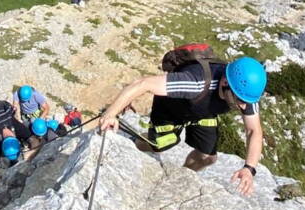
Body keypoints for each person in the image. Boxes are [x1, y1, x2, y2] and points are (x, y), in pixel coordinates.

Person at [98, 54, 269, 196]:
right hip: (172, 107)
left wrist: (249, 168)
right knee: (158, 144)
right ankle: (132, 140)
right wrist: (110, 114)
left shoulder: (245, 94)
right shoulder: (196, 82)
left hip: (203, 111)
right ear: (225, 83)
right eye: (239, 101)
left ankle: (177, 179)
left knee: (208, 157)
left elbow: (253, 130)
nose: (244, 107)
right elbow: (143, 84)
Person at [0, 100, 33, 185]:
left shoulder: (17, 127)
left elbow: (31, 138)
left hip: (3, 140)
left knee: (13, 160)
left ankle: (14, 164)